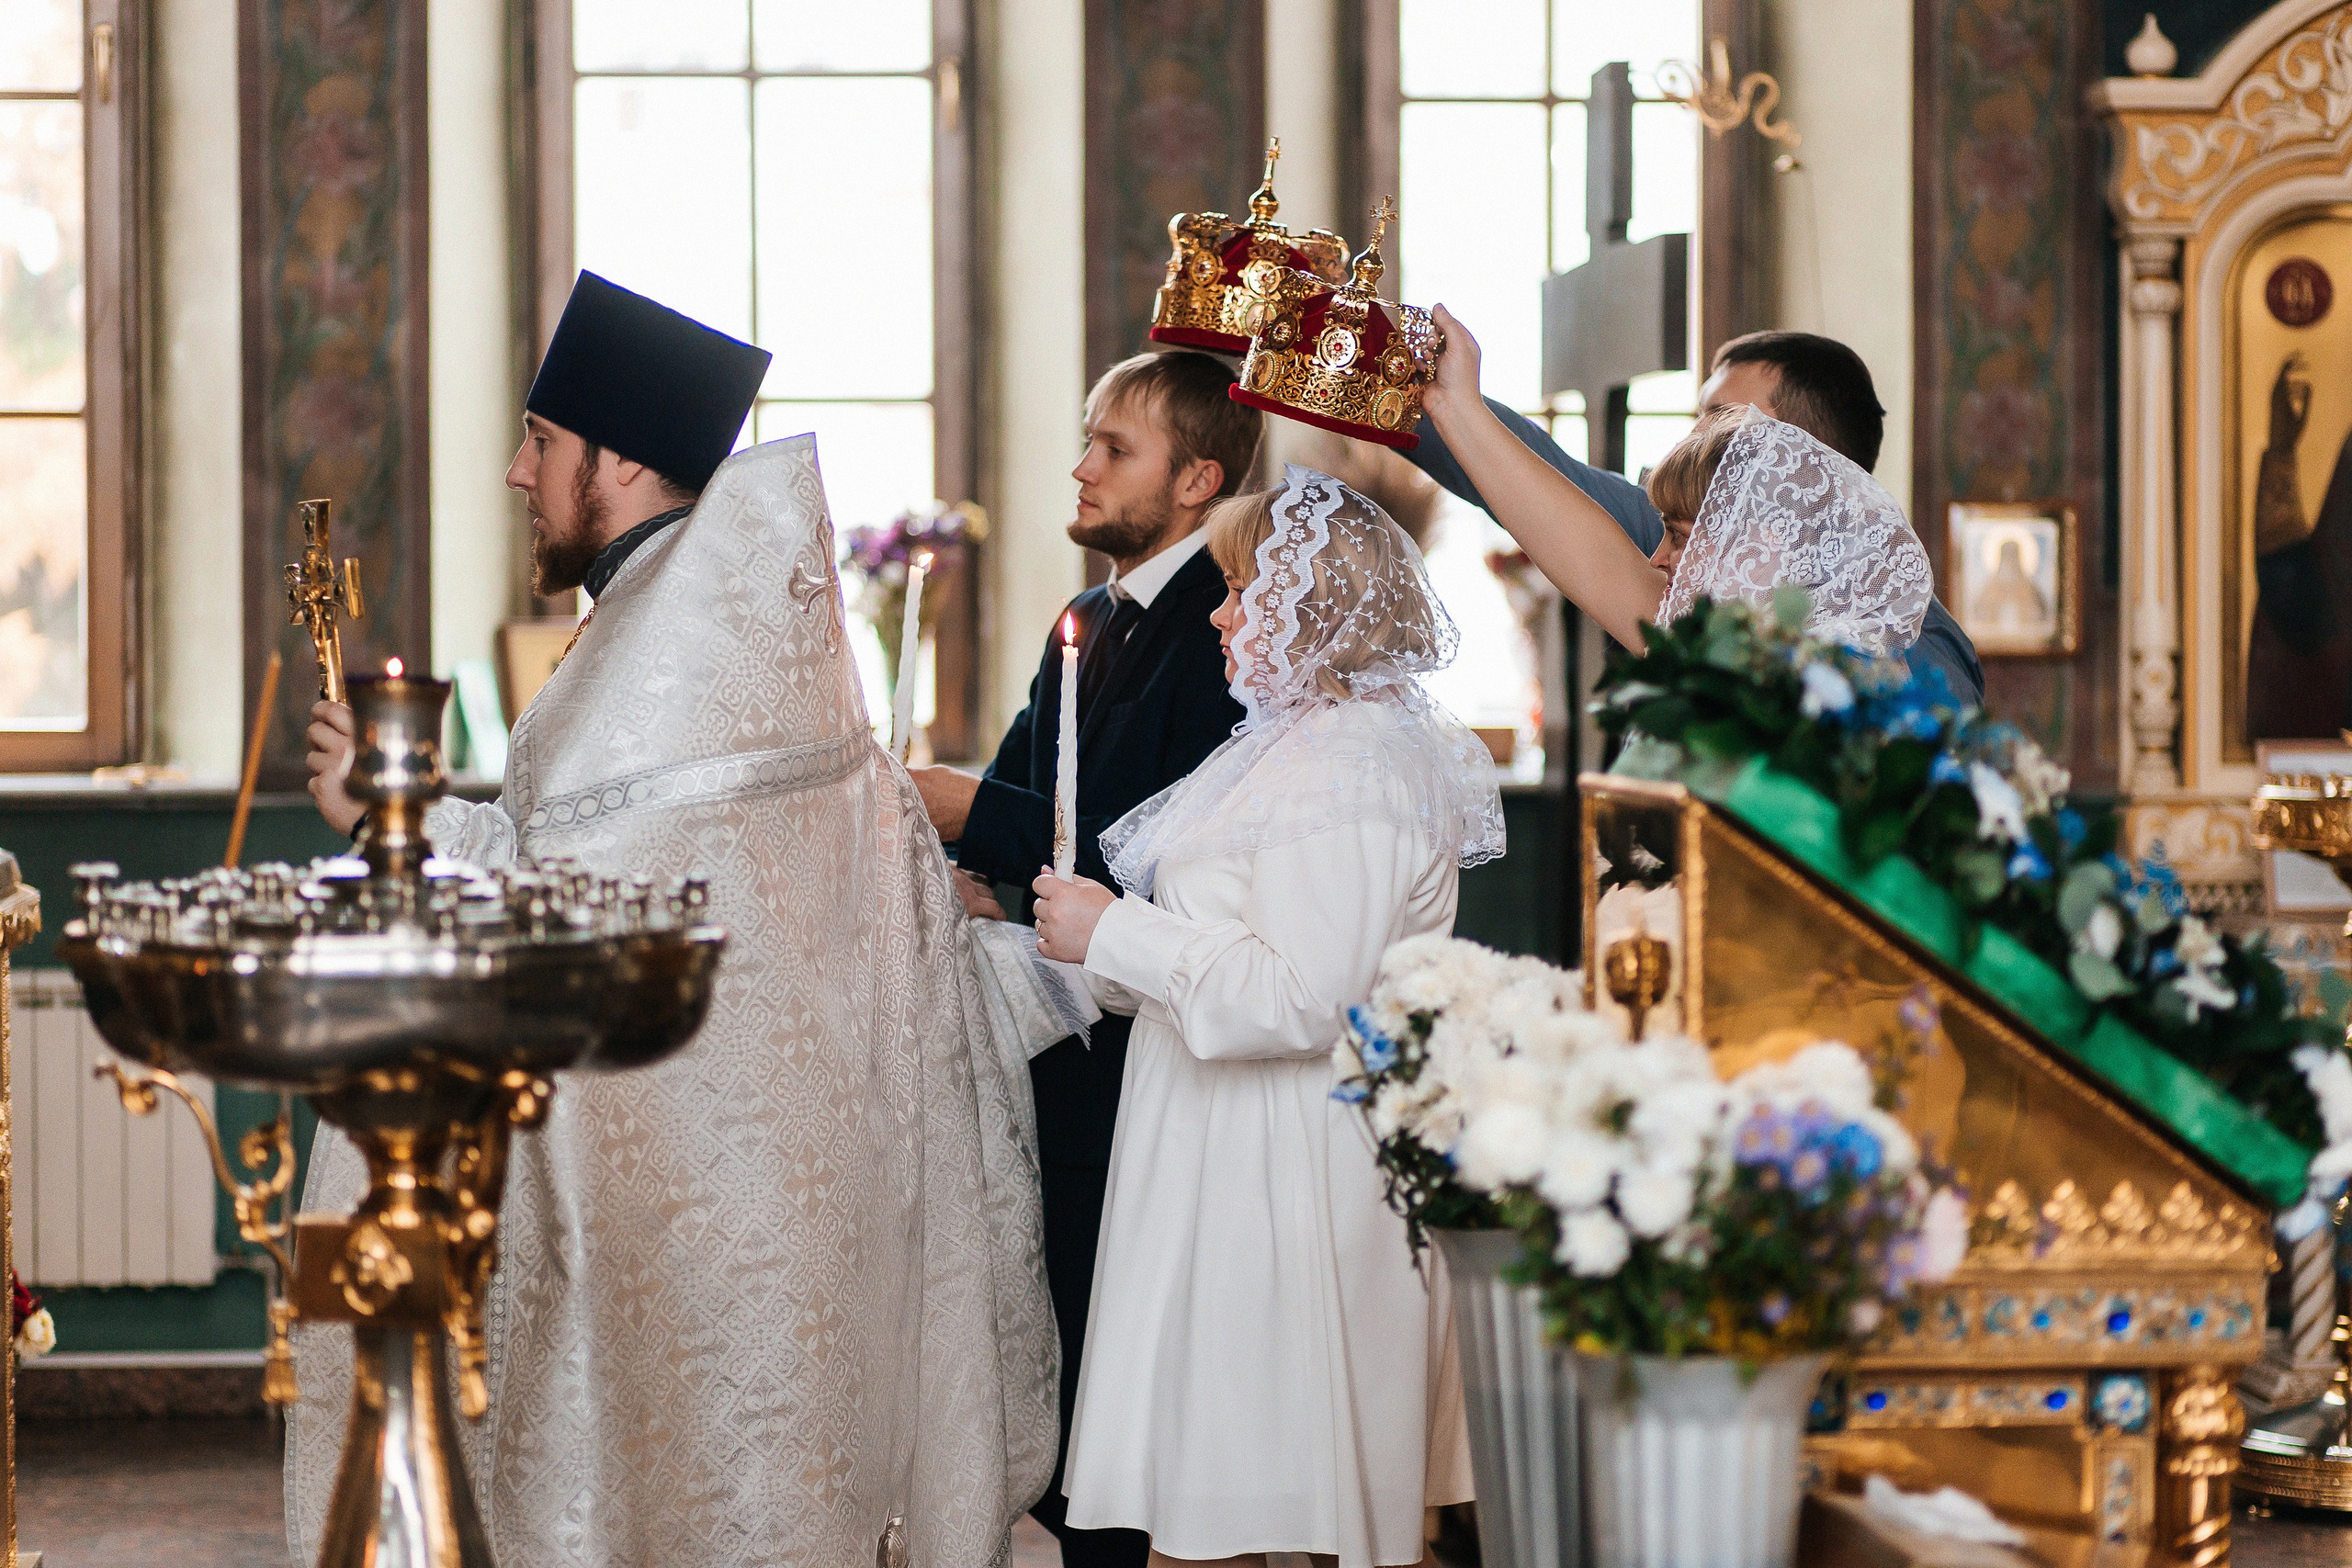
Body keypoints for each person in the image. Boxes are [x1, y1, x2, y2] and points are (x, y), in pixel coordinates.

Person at [289, 271, 1057, 1567]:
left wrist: (390, 823)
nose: (519, 474)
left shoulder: (675, 671)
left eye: (541, 440)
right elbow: (592, 866)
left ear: (626, 459)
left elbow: (568, 916)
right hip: (758, 1232)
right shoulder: (692, 643)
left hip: (690, 1248)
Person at [1029, 466, 1500, 1568]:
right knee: (1217, 1512)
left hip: (1291, 1180)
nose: (1223, 613)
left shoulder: (1360, 763)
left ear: (1317, 601)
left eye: (1244, 589)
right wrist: (1069, 954)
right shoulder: (1288, 748)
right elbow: (1211, 944)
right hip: (1220, 1160)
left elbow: (1298, 994)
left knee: (1268, 1520)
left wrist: (1114, 934)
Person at [910, 348, 1256, 1568]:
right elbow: (1027, 793)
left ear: (1199, 475)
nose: (1083, 464)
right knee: (1058, 1313)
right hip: (1058, 1022)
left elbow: (1135, 834)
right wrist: (966, 860)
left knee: (1116, 1336)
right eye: (1088, 440)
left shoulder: (1217, 627)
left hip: (1141, 1044)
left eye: (1116, 448)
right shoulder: (1096, 619)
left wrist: (954, 810)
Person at [1408, 316, 1983, 701]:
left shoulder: (1911, 650)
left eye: (1723, 422)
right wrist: (1380, 376)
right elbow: (1539, 481)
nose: (1660, 555)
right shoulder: (1696, 603)